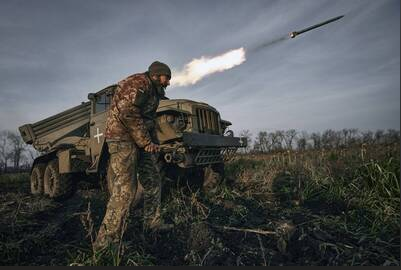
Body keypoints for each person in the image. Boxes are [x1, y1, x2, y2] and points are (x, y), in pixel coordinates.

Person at [94, 61, 173, 250]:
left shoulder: (154, 91)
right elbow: (127, 112)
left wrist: (153, 143)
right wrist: (146, 142)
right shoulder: (138, 83)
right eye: (166, 77)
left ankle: (152, 223)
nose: (169, 82)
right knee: (125, 189)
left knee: (153, 180)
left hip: (140, 141)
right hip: (122, 139)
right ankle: (105, 242)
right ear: (156, 74)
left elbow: (149, 120)